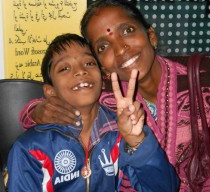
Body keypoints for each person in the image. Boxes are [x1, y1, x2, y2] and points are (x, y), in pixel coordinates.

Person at [19, 0, 210, 191]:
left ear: (151, 36)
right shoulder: (106, 92)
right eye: (103, 46)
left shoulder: (206, 76)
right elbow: (67, 94)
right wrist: (36, 111)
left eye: (128, 30)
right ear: (101, 66)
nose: (120, 48)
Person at [8, 33, 179, 192]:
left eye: (89, 63)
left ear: (101, 78)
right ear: (50, 91)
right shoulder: (31, 148)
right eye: (64, 68)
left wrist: (137, 141)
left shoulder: (118, 133)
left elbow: (164, 188)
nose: (81, 71)